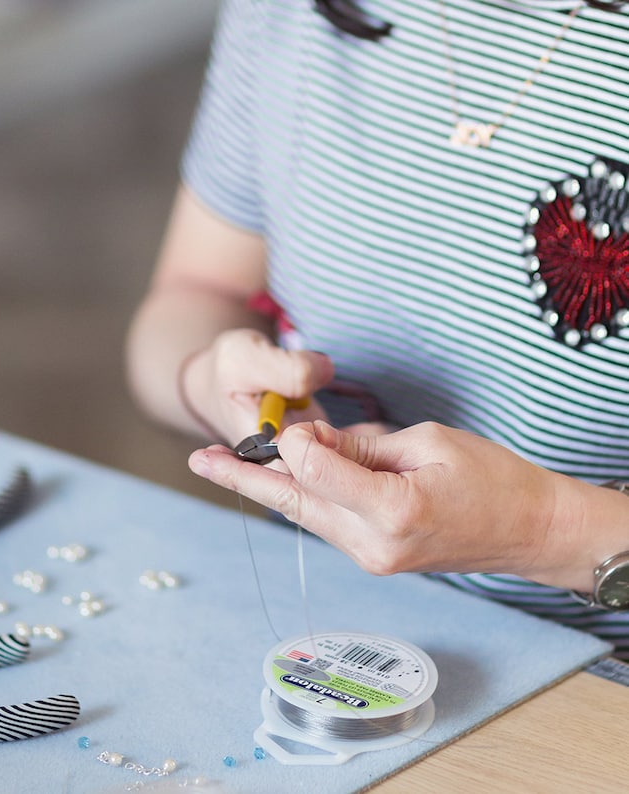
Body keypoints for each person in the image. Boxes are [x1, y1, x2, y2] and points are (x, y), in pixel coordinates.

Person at [126, 0, 629, 657]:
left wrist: (546, 531)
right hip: (331, 640)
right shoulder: (291, 15)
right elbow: (195, 294)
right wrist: (210, 381)